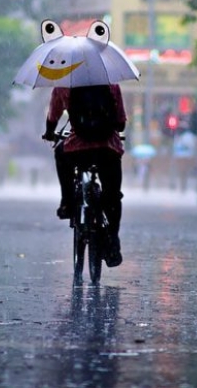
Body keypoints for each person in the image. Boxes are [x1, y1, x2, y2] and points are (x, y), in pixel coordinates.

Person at [43, 84, 127, 267]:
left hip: (77, 150)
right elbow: (121, 123)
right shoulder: (112, 85)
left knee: (60, 154)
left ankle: (67, 202)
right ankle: (112, 240)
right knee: (113, 195)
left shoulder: (64, 86)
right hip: (108, 150)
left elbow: (53, 117)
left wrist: (50, 132)